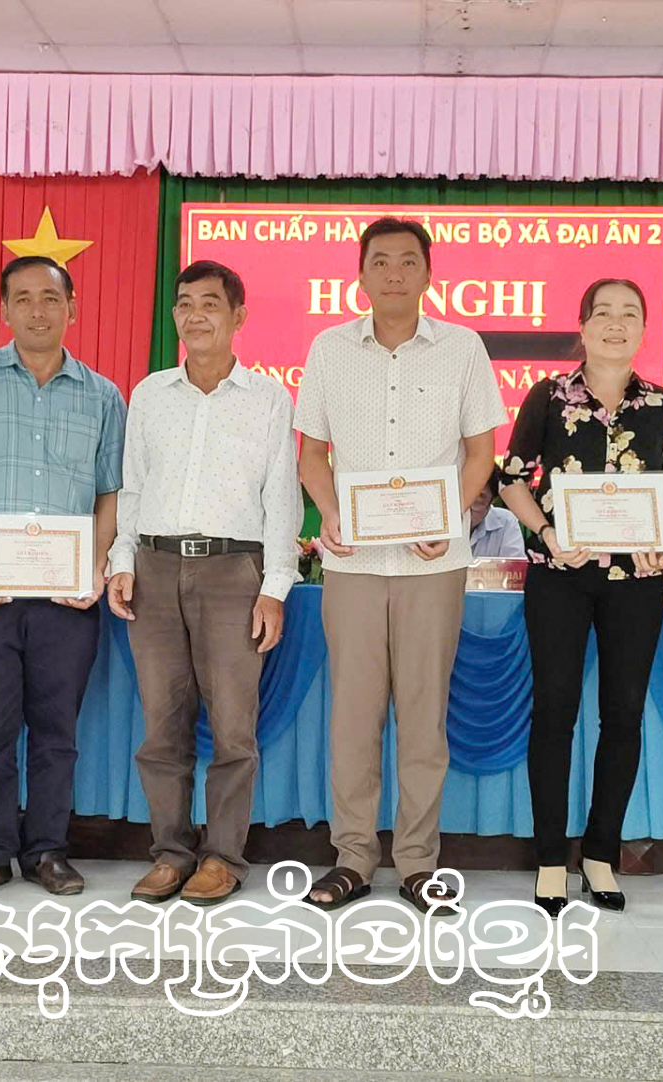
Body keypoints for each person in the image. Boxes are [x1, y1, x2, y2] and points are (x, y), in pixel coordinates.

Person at [295, 217, 503, 914]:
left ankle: (418, 862)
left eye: (407, 261)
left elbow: (481, 454)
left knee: (423, 716)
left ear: (427, 274)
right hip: (353, 564)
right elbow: (311, 456)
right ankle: (352, 857)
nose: (393, 273)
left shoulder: (462, 348)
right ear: (360, 275)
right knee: (353, 718)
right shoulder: (329, 348)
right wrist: (329, 511)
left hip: (432, 566)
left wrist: (448, 517)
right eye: (379, 261)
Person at [497, 279, 663, 917]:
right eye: (603, 313)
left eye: (629, 314)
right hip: (561, 575)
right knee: (554, 711)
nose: (616, 323)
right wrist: (548, 533)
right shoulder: (548, 396)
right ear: (581, 326)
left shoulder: (661, 403)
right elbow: (511, 480)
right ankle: (550, 859)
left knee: (623, 715)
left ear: (644, 329)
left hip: (636, 582)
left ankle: (601, 854)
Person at [0, 255, 125, 901]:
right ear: (3, 310)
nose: (38, 310)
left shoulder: (103, 395)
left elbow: (110, 493)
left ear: (73, 309)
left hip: (68, 595)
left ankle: (46, 850)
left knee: (56, 733)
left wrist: (95, 566)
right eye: (23, 298)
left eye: (50, 298)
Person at [107, 260, 301, 906]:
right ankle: (169, 853)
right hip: (155, 568)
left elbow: (281, 500)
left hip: (232, 572)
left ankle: (222, 857)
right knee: (161, 726)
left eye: (210, 304)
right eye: (185, 303)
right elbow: (133, 487)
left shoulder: (268, 399)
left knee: (233, 730)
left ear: (238, 316)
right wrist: (122, 560)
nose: (195, 315)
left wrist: (275, 586)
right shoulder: (149, 395)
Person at [466, 487, 525, 558]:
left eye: (478, 498)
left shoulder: (506, 521)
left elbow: (513, 563)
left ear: (492, 500)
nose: (467, 509)